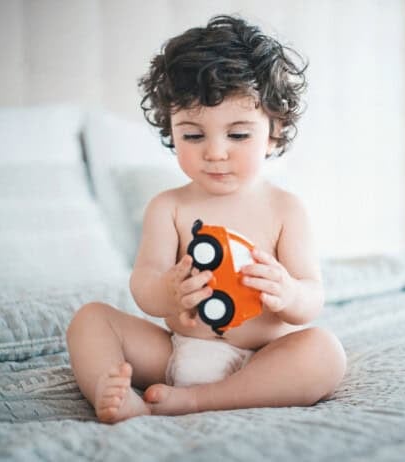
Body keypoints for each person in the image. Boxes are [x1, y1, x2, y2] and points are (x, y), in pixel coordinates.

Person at [66, 14, 346, 423]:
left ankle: (200, 400)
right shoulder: (169, 207)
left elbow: (311, 297)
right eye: (193, 135)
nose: (215, 153)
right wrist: (169, 292)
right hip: (177, 351)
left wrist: (288, 293)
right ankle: (113, 393)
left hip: (262, 359)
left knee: (325, 354)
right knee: (90, 319)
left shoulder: (286, 208)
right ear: (171, 130)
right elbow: (144, 286)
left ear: (274, 131)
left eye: (237, 134)